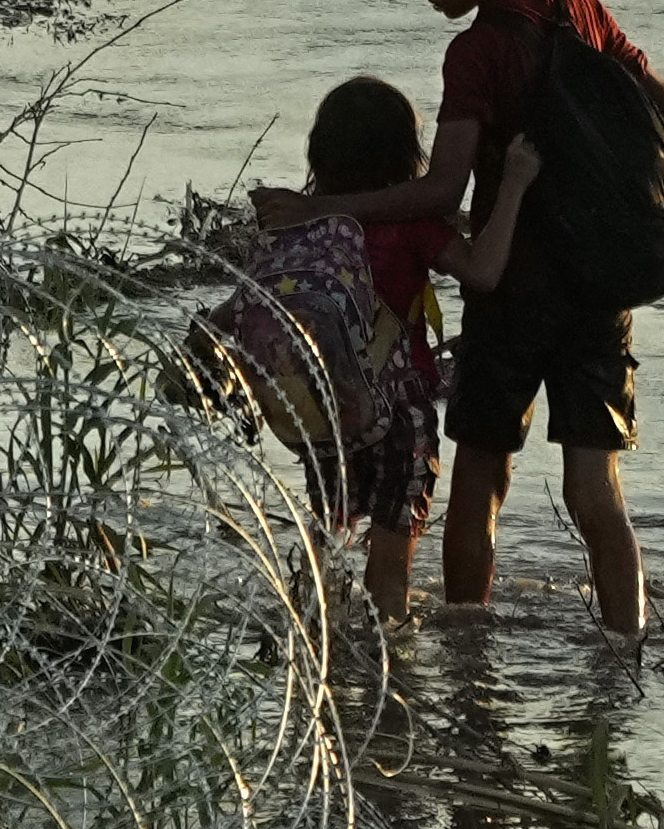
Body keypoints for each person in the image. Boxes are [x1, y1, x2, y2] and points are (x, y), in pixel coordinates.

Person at [260, 0, 664, 631]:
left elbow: (439, 191)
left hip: (512, 289)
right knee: (597, 490)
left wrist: (319, 207)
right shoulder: (580, 6)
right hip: (601, 289)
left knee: (481, 477)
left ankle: (468, 644)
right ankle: (627, 652)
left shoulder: (477, 53)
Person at [211, 75, 539, 626]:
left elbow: (242, 305)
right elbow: (483, 272)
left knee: (328, 547)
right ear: (406, 155)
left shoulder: (295, 223)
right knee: (390, 562)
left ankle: (321, 662)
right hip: (396, 409)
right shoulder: (411, 225)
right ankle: (391, 682)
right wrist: (514, 185)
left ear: (320, 151)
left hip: (323, 411)